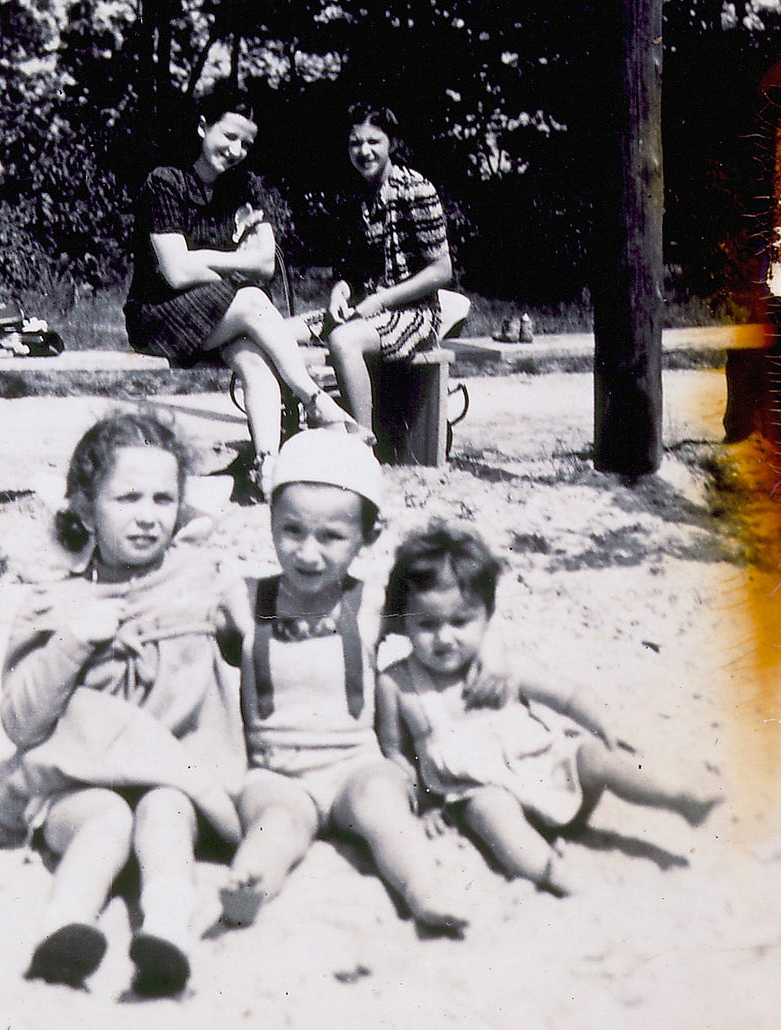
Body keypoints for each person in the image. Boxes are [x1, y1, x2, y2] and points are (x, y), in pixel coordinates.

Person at [0, 412, 245, 996]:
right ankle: (66, 930)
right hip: (79, 783)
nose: (148, 515)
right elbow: (20, 721)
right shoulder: (57, 602)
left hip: (174, 773)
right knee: (106, 820)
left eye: (163, 498)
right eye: (127, 498)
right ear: (83, 506)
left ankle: (167, 935)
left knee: (164, 812)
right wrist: (74, 642)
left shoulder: (201, 583)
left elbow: (262, 653)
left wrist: (239, 621)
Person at [377, 524, 722, 897]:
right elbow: (395, 753)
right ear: (403, 623)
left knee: (595, 757)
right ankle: (551, 872)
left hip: (553, 776)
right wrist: (424, 803)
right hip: (481, 793)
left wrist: (601, 722)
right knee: (491, 811)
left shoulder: (502, 669)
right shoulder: (397, 684)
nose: (445, 637)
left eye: (460, 622)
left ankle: (679, 798)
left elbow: (568, 695)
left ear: (487, 617)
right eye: (427, 624)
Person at [216, 429, 469, 934]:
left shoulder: (371, 603)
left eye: (331, 537)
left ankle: (424, 889)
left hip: (355, 763)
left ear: (367, 536)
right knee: (274, 826)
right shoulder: (243, 601)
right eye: (291, 531)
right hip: (276, 772)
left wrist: (499, 656)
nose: (308, 553)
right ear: (269, 522)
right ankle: (250, 884)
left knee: (385, 806)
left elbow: (456, 612)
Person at [124, 86, 366, 499]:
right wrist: (232, 260)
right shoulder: (165, 183)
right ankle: (315, 398)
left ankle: (266, 466)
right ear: (203, 127)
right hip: (159, 315)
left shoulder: (245, 188)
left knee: (255, 363)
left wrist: (205, 258)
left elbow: (266, 264)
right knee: (254, 299)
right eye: (229, 136)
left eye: (246, 143)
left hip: (220, 315)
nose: (236, 150)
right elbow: (177, 273)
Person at [298, 103, 453, 433]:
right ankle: (300, 428)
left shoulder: (415, 189)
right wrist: (340, 291)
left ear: (391, 144)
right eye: (355, 143)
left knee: (342, 341)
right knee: (277, 334)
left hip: (414, 313)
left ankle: (362, 442)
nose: (364, 151)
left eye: (373, 142)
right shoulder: (354, 194)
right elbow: (349, 269)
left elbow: (441, 270)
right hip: (364, 311)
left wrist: (382, 301)